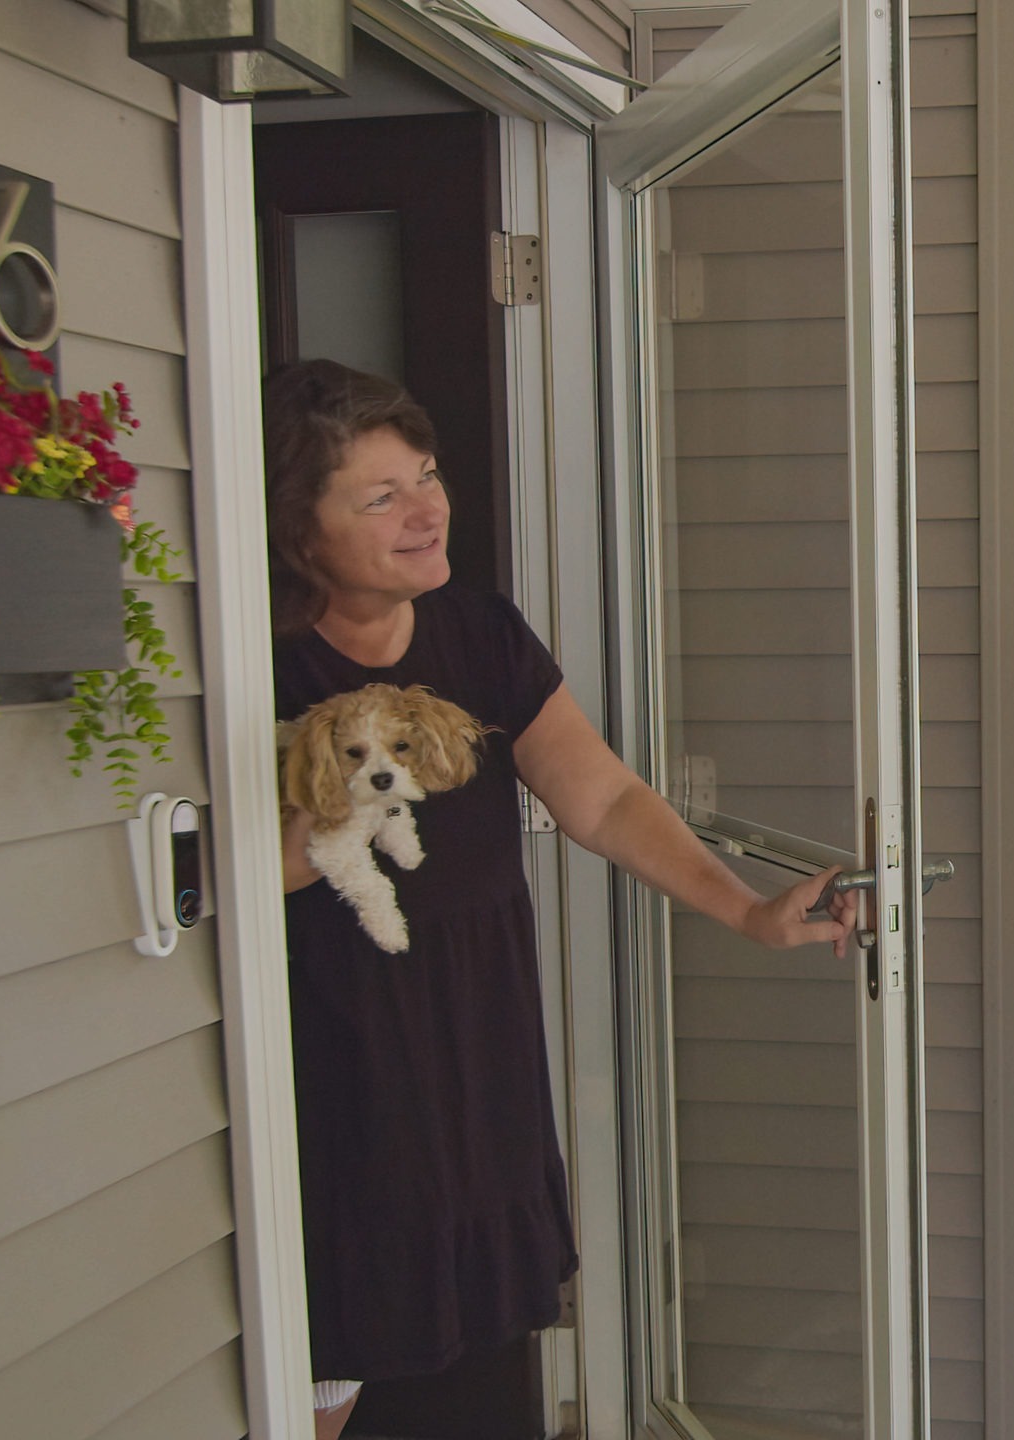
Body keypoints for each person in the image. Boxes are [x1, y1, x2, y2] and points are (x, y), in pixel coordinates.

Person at [264, 360, 856, 1440]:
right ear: (301, 529)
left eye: (427, 476)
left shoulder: (480, 634)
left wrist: (749, 911)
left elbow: (603, 797)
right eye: (380, 494)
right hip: (339, 1035)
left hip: (473, 1016)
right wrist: (313, 839)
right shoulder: (260, 665)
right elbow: (229, 873)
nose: (426, 509)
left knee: (425, 1315)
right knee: (327, 1333)